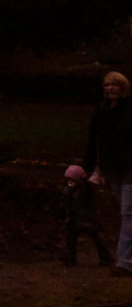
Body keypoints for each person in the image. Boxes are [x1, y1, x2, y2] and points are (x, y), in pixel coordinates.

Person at [84, 71, 132, 276]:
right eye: (108, 85)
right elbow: (93, 137)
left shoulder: (129, 110)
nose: (111, 88)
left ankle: (124, 261)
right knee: (127, 212)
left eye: (115, 85)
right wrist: (89, 165)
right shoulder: (101, 111)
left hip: (130, 168)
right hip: (111, 169)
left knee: (129, 214)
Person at [61, 164, 115, 266]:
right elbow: (65, 204)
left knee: (96, 240)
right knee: (70, 240)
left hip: (86, 219)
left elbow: (87, 205)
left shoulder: (83, 190)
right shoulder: (67, 190)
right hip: (73, 219)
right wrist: (65, 215)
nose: (70, 182)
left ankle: (106, 258)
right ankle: (69, 259)